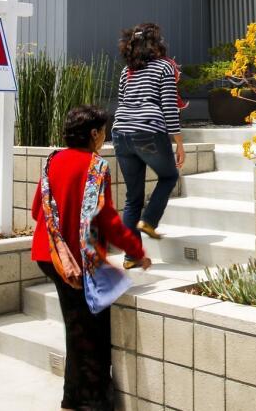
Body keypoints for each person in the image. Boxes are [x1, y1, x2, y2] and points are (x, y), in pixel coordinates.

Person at [31, 105, 151, 411]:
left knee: (77, 327)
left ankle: (72, 399)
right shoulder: (96, 167)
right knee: (91, 332)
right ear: (94, 134)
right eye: (103, 131)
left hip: (51, 257)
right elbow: (108, 219)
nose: (104, 137)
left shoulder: (53, 161)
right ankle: (91, 402)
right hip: (78, 263)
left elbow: (37, 211)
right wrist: (136, 251)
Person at [112, 23, 185, 266]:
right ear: (157, 43)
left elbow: (122, 103)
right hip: (148, 131)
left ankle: (131, 256)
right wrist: (179, 143)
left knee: (133, 198)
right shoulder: (164, 67)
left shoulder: (127, 71)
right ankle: (149, 221)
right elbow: (168, 106)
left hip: (121, 133)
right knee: (169, 177)